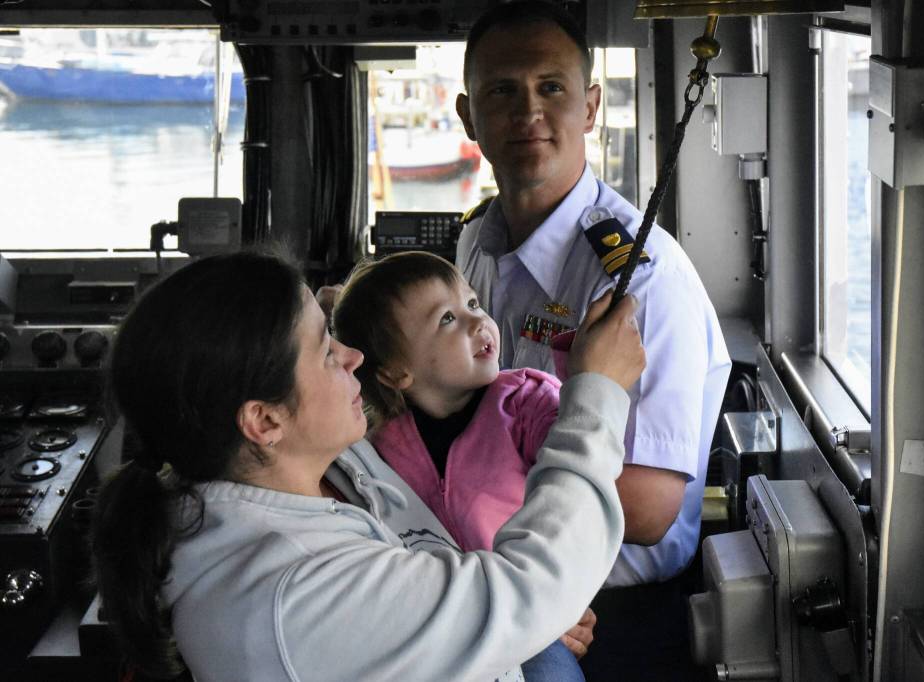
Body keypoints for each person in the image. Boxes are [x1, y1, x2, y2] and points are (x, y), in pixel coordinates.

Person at [91, 250, 644, 682]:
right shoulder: (291, 594)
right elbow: (528, 588)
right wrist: (596, 391)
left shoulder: (334, 471)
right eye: (326, 349)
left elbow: (473, 582)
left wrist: (522, 627)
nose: (354, 356)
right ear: (264, 421)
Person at [453, 2, 732, 677]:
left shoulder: (640, 279)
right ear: (469, 117)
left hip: (613, 615)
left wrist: (466, 502)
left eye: (552, 87)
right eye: (502, 91)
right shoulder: (475, 244)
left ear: (591, 107)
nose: (529, 113)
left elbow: (647, 510)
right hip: (499, 580)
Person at [331, 250, 589, 681]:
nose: (477, 322)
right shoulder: (380, 449)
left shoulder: (523, 402)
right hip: (443, 625)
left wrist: (581, 372)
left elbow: (577, 448)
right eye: (446, 320)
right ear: (396, 374)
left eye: (472, 303)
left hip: (526, 611)